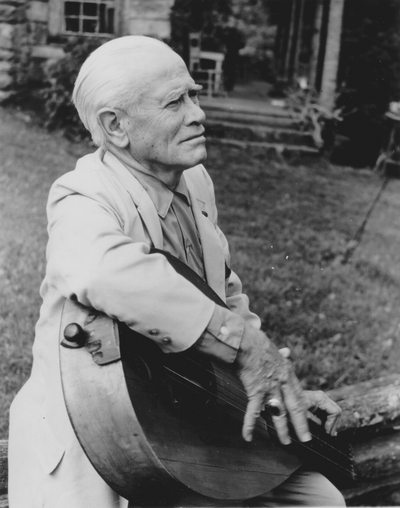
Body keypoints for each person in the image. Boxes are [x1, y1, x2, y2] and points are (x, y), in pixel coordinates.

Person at [8, 35, 345, 508]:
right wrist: (246, 347)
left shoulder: (195, 181)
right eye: (175, 102)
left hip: (186, 417)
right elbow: (100, 270)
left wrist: (271, 386)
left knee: (320, 501)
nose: (198, 113)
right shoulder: (82, 195)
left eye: (194, 94)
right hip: (98, 434)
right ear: (115, 126)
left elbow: (221, 294)